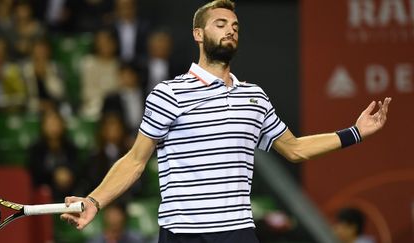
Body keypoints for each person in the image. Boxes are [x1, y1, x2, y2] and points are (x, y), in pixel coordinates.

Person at [61, 1, 392, 243]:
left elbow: (294, 149)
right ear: (198, 34)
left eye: (235, 27)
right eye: (220, 24)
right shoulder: (168, 92)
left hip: (236, 233)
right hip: (182, 234)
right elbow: (135, 161)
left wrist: (356, 132)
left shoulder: (255, 97)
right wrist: (94, 201)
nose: (231, 30)